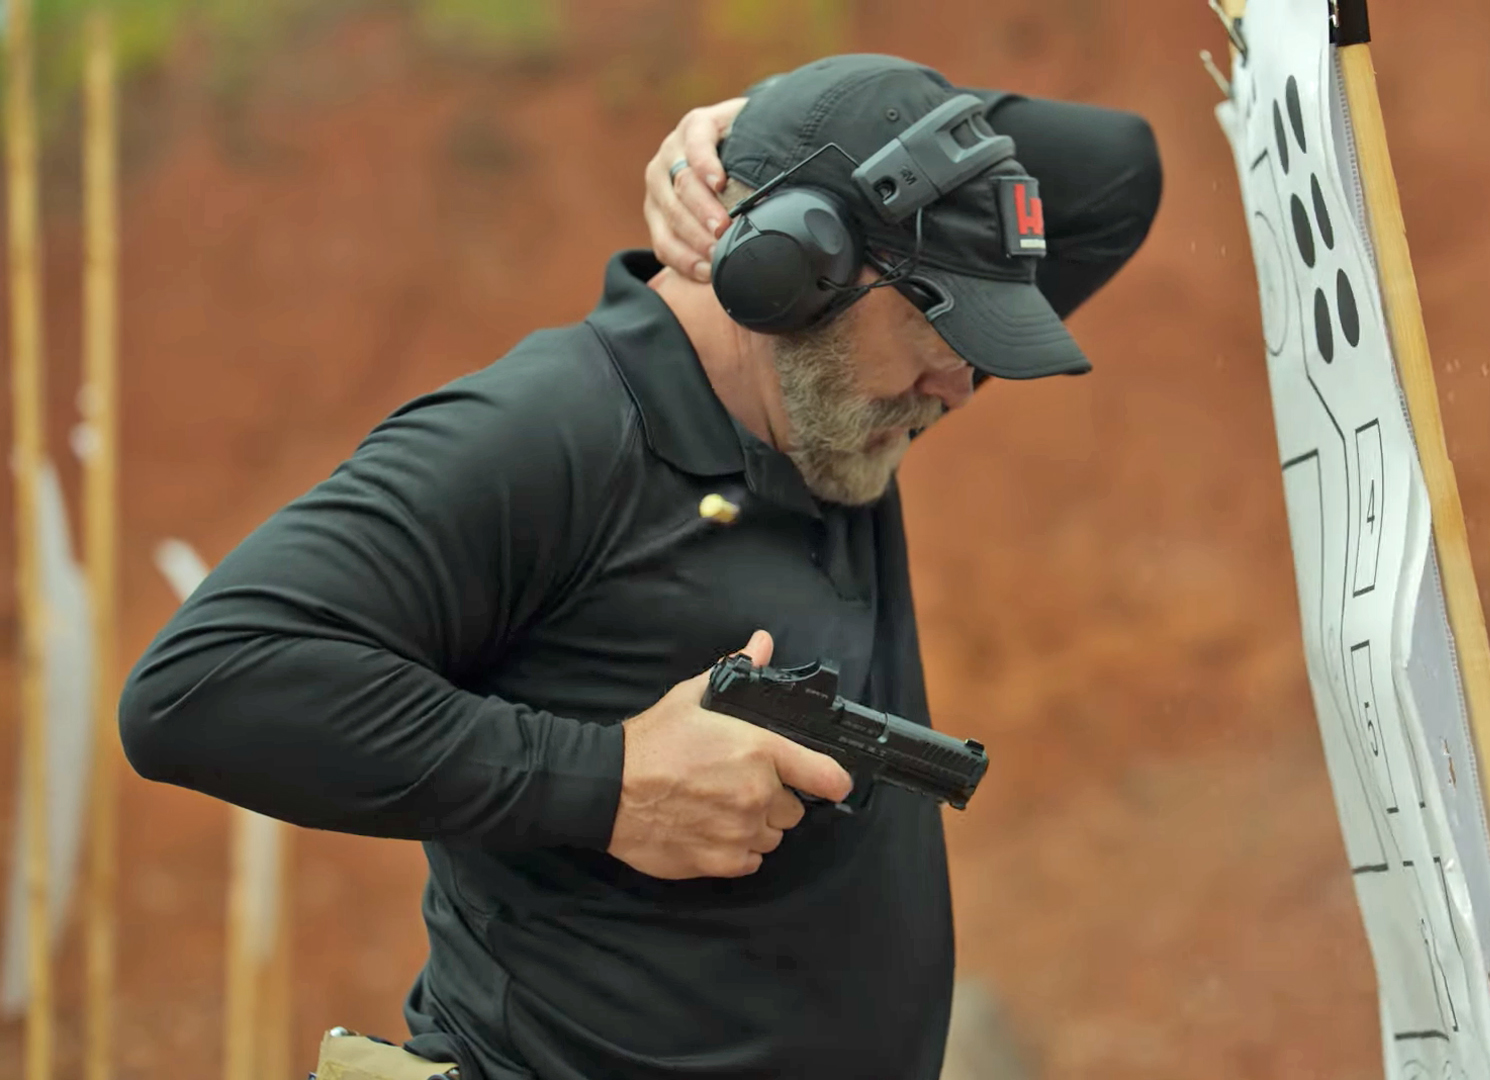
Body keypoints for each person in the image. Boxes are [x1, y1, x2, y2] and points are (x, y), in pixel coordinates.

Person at [118, 53, 1161, 1080]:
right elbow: (204, 684)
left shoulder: (838, 415)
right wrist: (610, 784)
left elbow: (1115, 173)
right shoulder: (552, 432)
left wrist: (758, 127)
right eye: (943, 326)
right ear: (790, 273)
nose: (963, 382)